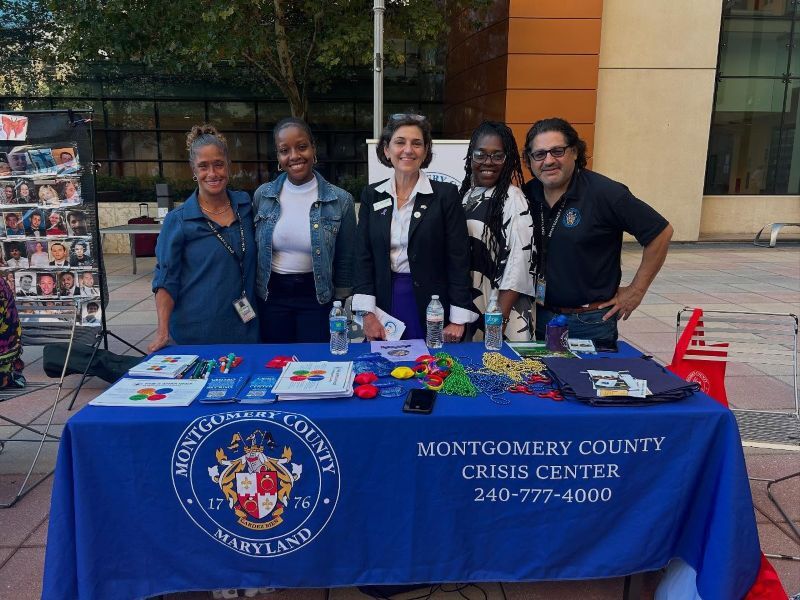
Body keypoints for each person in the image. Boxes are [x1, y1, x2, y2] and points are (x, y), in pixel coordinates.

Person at [521, 117, 673, 343]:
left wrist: (636, 291)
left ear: (574, 152)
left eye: (557, 151)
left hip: (590, 323)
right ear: (530, 160)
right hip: (538, 318)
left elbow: (661, 232)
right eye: (540, 154)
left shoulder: (606, 193)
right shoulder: (527, 194)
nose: (549, 160)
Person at [353, 113, 475, 341]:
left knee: (431, 372)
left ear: (426, 151)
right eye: (400, 142)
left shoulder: (445, 196)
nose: (408, 150)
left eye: (416, 143)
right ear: (387, 150)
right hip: (384, 305)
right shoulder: (372, 194)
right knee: (385, 371)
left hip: (434, 306)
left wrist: (457, 319)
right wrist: (367, 314)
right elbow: (362, 256)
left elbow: (458, 258)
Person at [150, 124, 260, 351]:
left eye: (218, 164)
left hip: (246, 330)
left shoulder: (246, 206)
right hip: (197, 334)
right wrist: (162, 332)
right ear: (193, 170)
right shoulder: (178, 221)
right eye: (203, 166)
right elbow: (166, 280)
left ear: (228, 165)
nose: (212, 173)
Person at [252, 117, 356, 343]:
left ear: (313, 148)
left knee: (313, 367)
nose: (294, 156)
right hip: (272, 296)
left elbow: (346, 260)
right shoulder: (263, 196)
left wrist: (341, 304)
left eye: (301, 147)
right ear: (278, 157)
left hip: (317, 297)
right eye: (284, 150)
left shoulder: (341, 200)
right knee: (275, 363)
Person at [459, 121, 535, 341]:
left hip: (501, 311)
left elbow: (520, 262)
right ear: (470, 157)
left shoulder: (513, 198)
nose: (488, 162)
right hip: (472, 303)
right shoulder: (465, 195)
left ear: (508, 159)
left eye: (497, 156)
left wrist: (497, 320)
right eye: (480, 154)